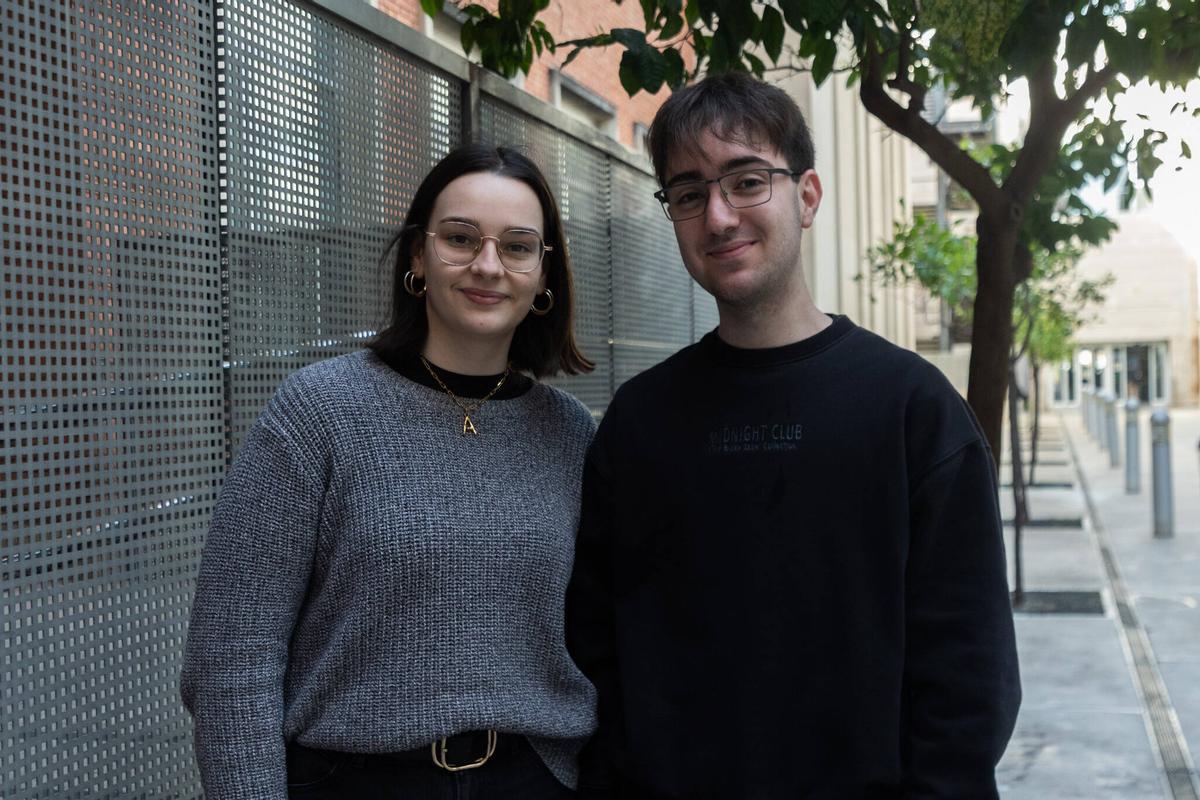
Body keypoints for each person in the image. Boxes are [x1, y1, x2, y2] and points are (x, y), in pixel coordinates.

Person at [566, 73, 1021, 799]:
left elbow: (967, 683)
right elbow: (597, 658)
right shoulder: (639, 423)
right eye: (688, 193)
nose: (718, 216)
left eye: (747, 181)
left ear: (806, 197)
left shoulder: (913, 410)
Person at [181, 144, 598, 799]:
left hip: (530, 779)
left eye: (517, 247)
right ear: (416, 256)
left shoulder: (571, 435)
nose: (487, 264)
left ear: (544, 275)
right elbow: (233, 653)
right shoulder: (318, 411)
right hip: (353, 780)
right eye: (460, 238)